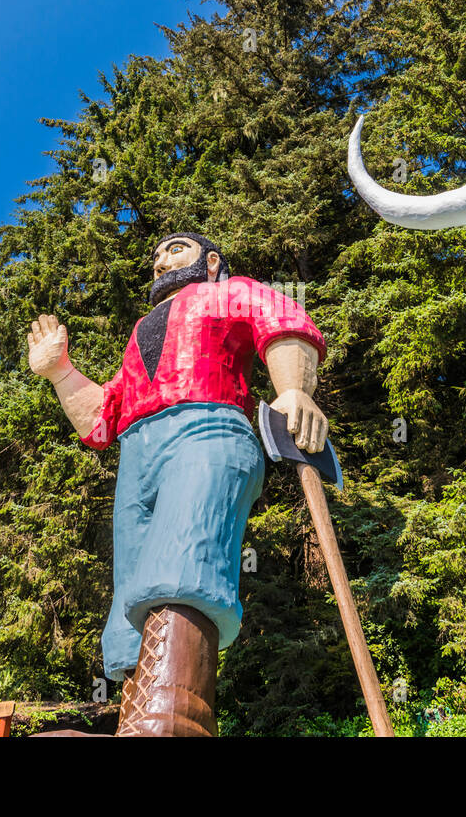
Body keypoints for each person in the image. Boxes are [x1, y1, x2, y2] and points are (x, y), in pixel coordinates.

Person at [26, 232, 327, 735]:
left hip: (206, 427)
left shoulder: (227, 292)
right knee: (129, 592)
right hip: (136, 451)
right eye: (157, 253)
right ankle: (132, 717)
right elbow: (100, 422)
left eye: (176, 248)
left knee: (185, 557)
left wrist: (294, 389)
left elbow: (281, 321)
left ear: (210, 262)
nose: (161, 258)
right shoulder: (140, 332)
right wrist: (61, 373)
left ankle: (174, 720)